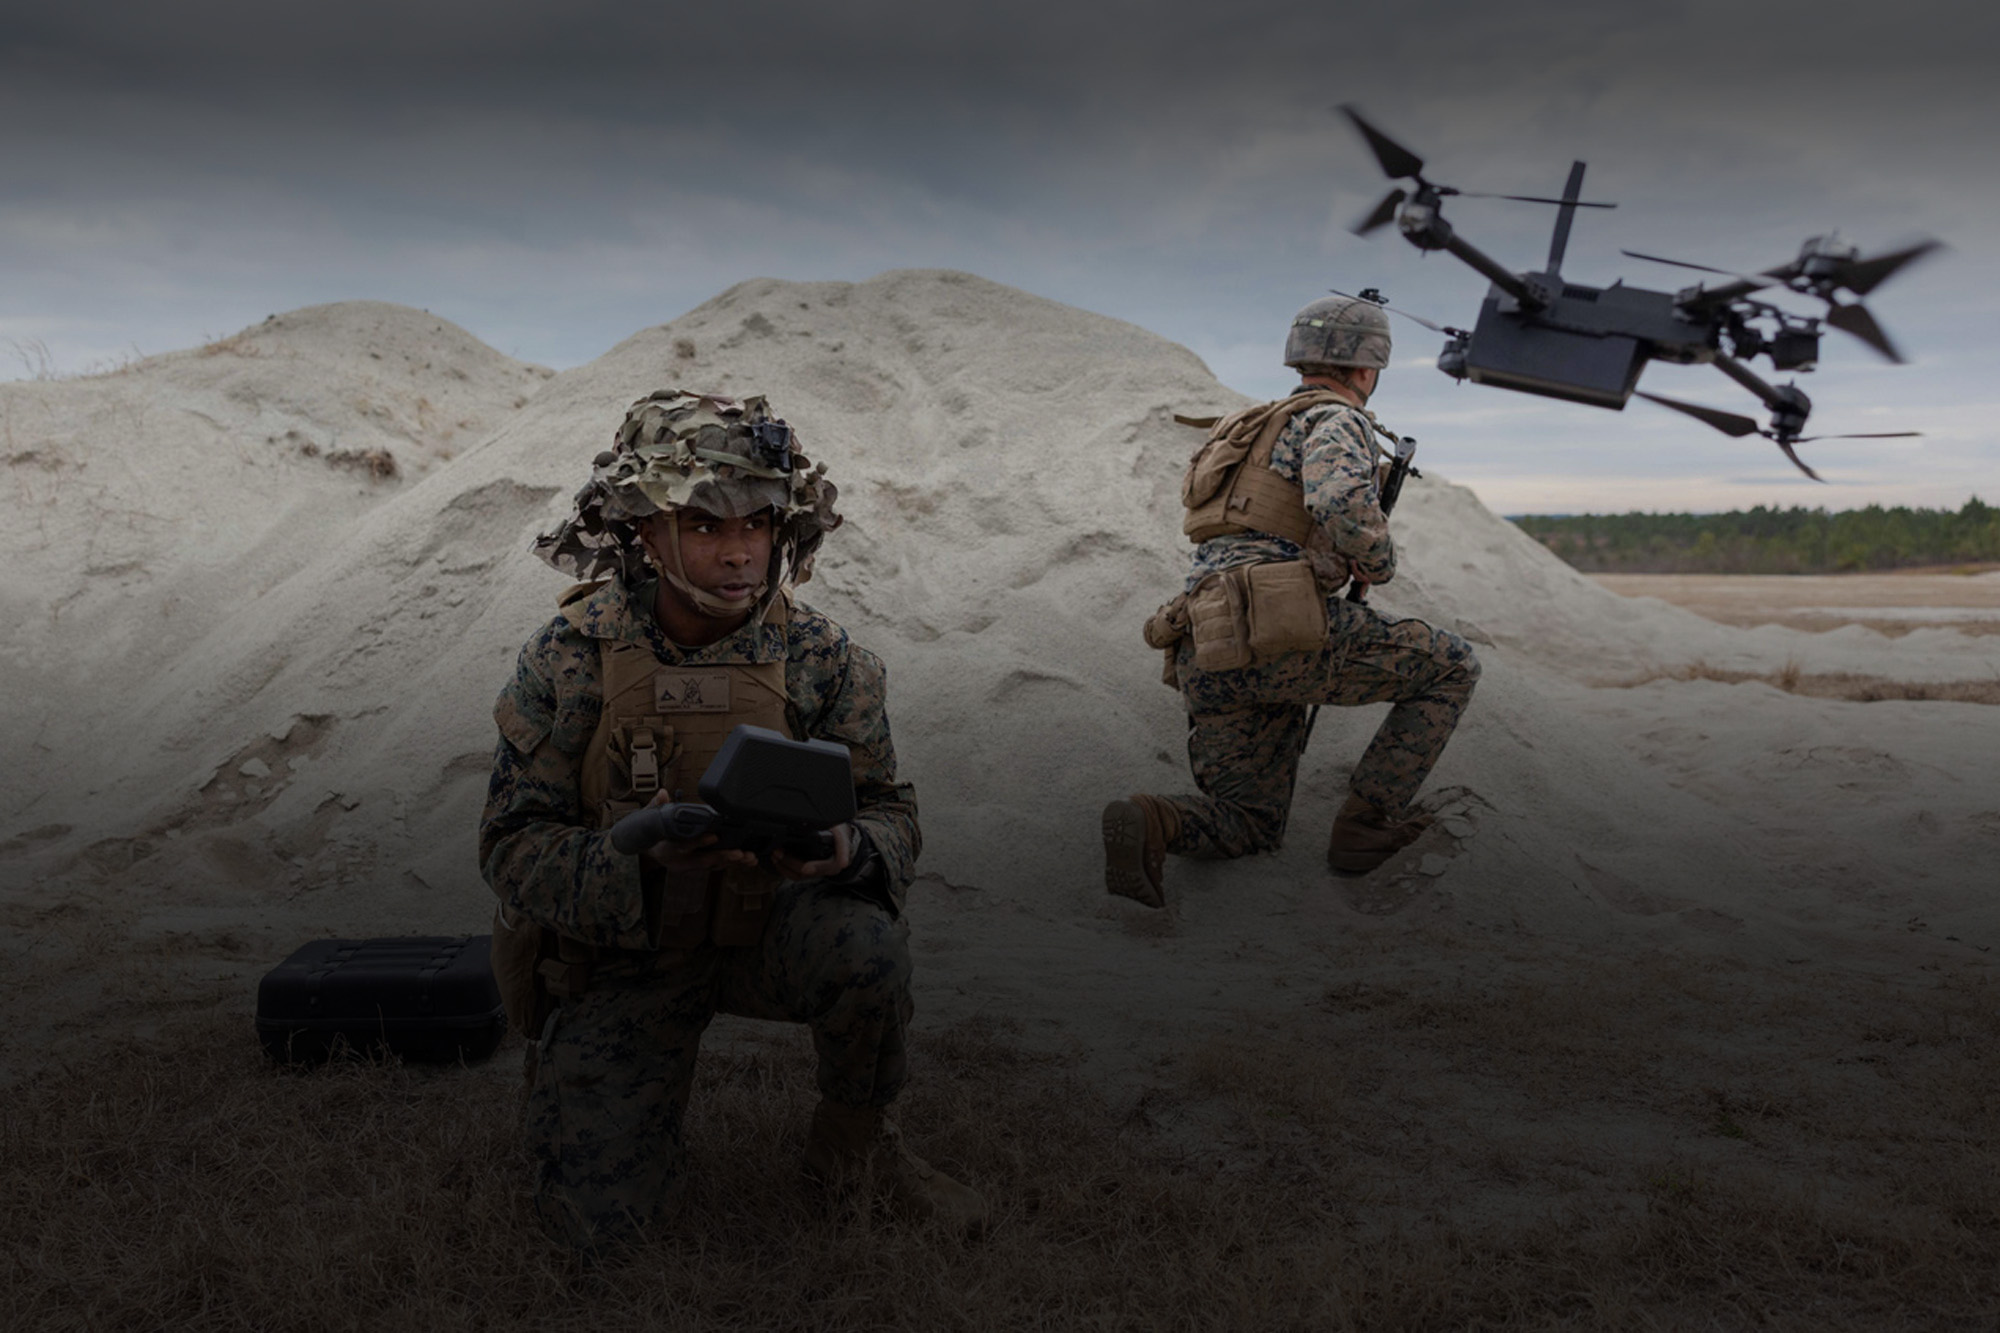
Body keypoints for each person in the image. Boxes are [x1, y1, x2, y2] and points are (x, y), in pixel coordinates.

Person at [480, 389, 985, 1246]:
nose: (741, 552)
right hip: (626, 953)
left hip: (769, 929)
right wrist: (628, 857)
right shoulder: (570, 657)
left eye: (757, 523)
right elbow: (509, 844)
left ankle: (856, 1149)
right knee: (594, 1232)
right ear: (646, 530)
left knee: (865, 947)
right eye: (707, 526)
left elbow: (892, 810)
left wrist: (847, 848)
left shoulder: (823, 656)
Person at [1103, 294, 1481, 905]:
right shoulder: (1338, 420)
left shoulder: (1252, 428)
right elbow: (1338, 502)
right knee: (1452, 666)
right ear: (1367, 370)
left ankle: (1156, 818)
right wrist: (1377, 562)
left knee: (1248, 821)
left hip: (1208, 640)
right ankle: (1364, 828)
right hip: (1284, 631)